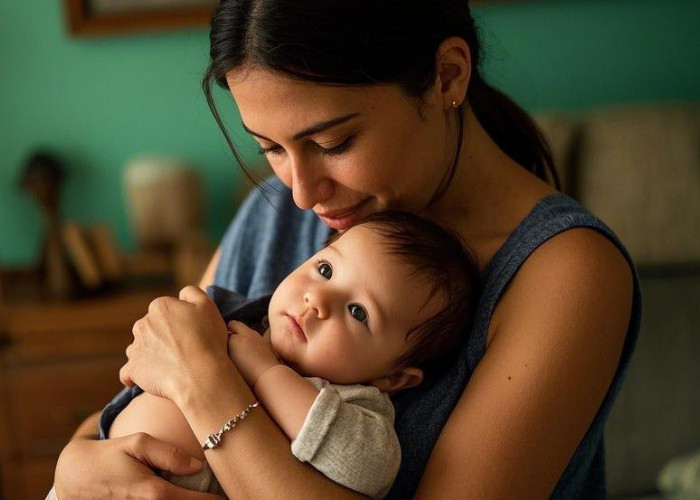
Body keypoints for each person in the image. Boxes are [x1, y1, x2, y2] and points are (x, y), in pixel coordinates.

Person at [53, 1, 642, 498]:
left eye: (333, 142)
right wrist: (76, 462)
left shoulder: (567, 272)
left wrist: (207, 388)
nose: (303, 194)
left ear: (447, 75)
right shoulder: (280, 208)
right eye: (270, 149)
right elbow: (145, 394)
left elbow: (192, 372)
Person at [46, 211, 479, 500]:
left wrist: (265, 370)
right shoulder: (229, 314)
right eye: (325, 270)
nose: (317, 300)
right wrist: (74, 460)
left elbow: (368, 466)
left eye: (358, 312)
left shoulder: (356, 406)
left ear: (396, 378)